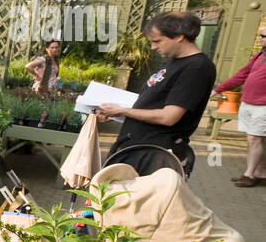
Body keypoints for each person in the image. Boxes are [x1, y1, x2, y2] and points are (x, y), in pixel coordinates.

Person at [97, 11, 216, 177]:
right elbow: (153, 104)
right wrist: (117, 113)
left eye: (158, 41)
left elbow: (169, 116)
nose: (153, 47)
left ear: (179, 36)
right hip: (138, 147)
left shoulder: (196, 68)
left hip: (155, 154)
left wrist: (123, 111)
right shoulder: (177, 61)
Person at [212, 24, 266, 187]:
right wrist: (218, 89)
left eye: (264, 36)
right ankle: (260, 173)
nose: (260, 38)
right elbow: (241, 75)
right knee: (255, 140)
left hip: (263, 106)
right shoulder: (259, 55)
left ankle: (249, 175)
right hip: (248, 103)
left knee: (254, 138)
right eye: (261, 36)